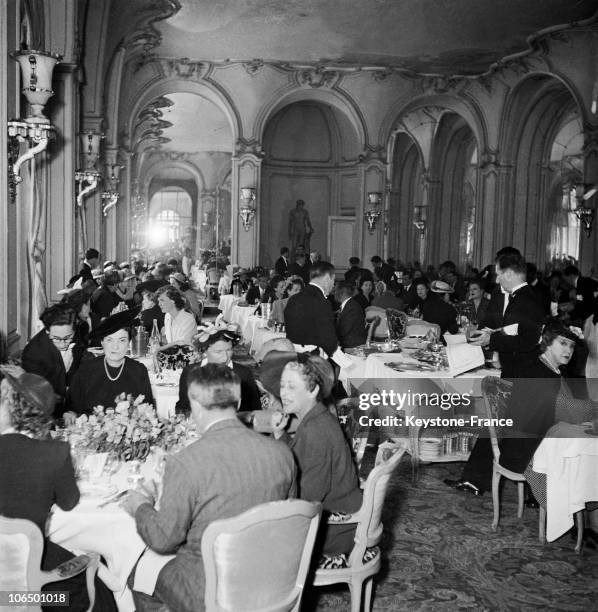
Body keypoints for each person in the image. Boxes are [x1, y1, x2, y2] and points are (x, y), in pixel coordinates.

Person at [123, 364, 297, 612]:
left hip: (210, 586)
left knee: (138, 575)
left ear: (194, 405)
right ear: (237, 403)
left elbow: (163, 540)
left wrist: (140, 506)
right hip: (269, 577)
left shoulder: (185, 462)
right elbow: (287, 517)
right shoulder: (281, 453)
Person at [0, 366, 116, 612]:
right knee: (92, 586)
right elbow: (69, 502)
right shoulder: (54, 453)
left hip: (6, 581)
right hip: (26, 592)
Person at [270, 353, 362, 556]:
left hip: (332, 532)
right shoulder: (316, 418)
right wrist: (280, 434)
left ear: (313, 391)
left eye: (292, 387)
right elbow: (300, 460)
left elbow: (308, 498)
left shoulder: (316, 431)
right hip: (335, 516)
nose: (283, 393)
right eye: (283, 385)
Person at [65, 309, 153, 419]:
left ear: (129, 342)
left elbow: (147, 410)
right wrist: (70, 414)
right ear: (102, 342)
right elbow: (71, 406)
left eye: (122, 340)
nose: (115, 347)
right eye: (109, 340)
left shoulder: (139, 371)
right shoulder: (87, 369)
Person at [175, 323, 261, 415]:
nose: (225, 357)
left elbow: (254, 410)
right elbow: (183, 406)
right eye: (218, 352)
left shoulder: (243, 374)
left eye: (229, 350)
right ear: (204, 351)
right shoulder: (190, 372)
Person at [21, 304, 89, 418]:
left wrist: (73, 409)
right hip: (45, 411)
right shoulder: (33, 353)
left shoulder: (79, 334)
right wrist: (63, 412)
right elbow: (38, 396)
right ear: (48, 332)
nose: (63, 344)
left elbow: (77, 374)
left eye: (68, 337)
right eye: (56, 338)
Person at [284, 261, 340, 359]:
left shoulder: (294, 299)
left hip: (292, 357)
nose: (333, 286)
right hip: (313, 361)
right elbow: (329, 341)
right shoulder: (322, 302)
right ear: (327, 278)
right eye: (333, 281)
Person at [335, 281, 367, 349]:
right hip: (348, 341)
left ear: (341, 293)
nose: (334, 293)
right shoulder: (349, 305)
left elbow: (344, 331)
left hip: (353, 346)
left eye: (335, 291)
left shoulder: (352, 308)